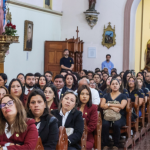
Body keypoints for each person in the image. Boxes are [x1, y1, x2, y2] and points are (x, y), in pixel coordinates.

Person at [101, 79, 127, 150]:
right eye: (113, 84)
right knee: (104, 124)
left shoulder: (123, 96)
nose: (115, 85)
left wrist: (108, 104)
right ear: (110, 85)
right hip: (108, 115)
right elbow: (102, 105)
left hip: (120, 116)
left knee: (116, 124)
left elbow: (122, 106)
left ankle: (116, 144)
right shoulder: (106, 95)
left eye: (116, 84)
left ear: (119, 85)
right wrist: (113, 107)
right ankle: (106, 144)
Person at [77, 85, 98, 149]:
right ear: (78, 95)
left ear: (89, 96)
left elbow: (92, 126)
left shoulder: (93, 107)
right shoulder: (74, 107)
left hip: (87, 137)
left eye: (87, 94)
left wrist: (80, 132)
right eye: (82, 94)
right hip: (73, 136)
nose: (84, 96)